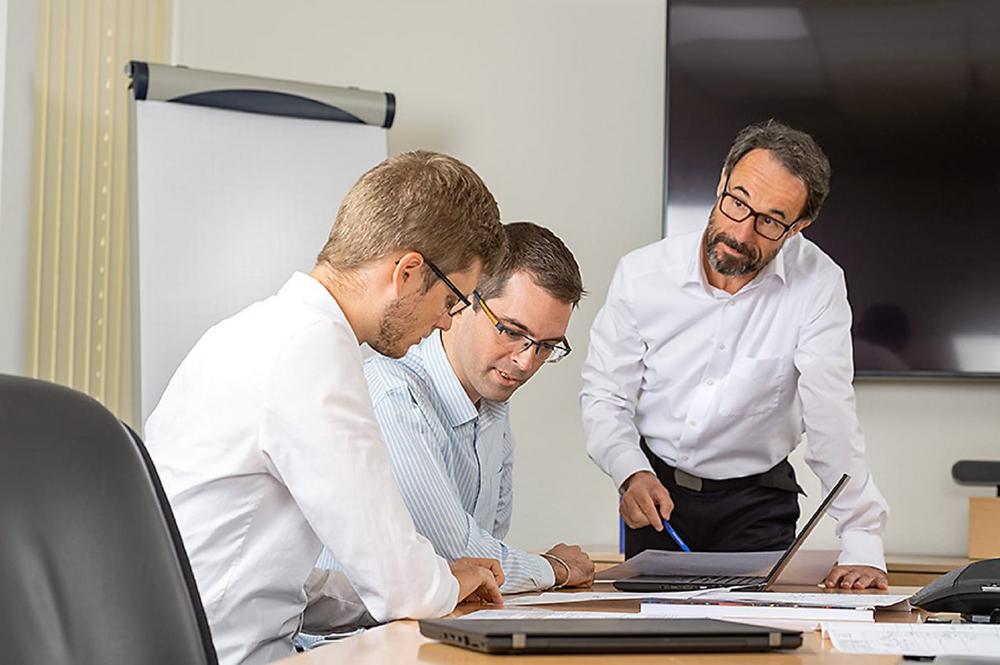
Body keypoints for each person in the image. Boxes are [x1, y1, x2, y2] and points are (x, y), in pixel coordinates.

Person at [145, 151, 509, 665]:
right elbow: (405, 588)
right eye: (452, 300)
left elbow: (259, 573)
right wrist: (441, 583)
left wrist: (435, 580)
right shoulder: (312, 353)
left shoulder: (248, 333)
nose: (447, 322)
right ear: (408, 272)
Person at [580, 119, 891, 590]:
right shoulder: (643, 275)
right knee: (654, 631)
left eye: (770, 221)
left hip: (757, 504)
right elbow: (606, 396)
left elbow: (831, 418)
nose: (742, 233)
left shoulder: (819, 285)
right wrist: (630, 472)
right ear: (721, 181)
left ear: (798, 227)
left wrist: (862, 541)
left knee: (755, 631)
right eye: (737, 202)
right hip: (657, 496)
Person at [297, 223, 594, 645]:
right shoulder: (394, 395)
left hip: (421, 636)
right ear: (465, 301)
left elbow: (482, 562)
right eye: (512, 332)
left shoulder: (493, 402)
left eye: (546, 346)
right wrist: (554, 569)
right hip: (346, 647)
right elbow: (455, 554)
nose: (526, 362)